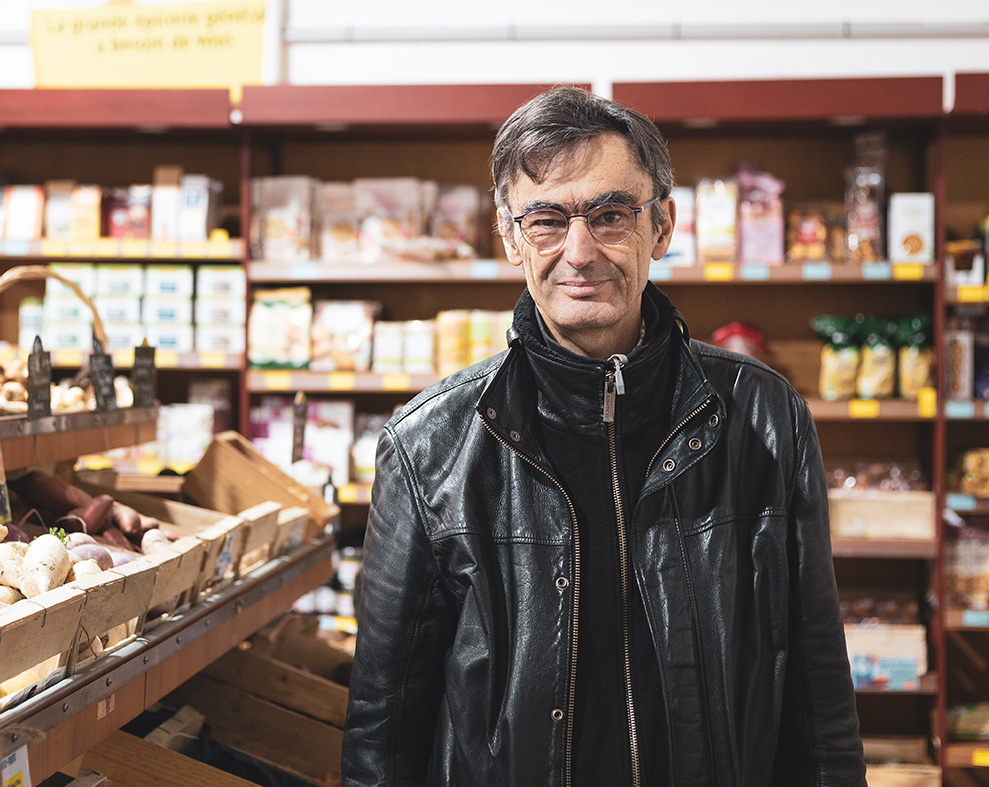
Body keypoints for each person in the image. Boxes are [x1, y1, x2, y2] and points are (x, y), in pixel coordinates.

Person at [341, 86, 865, 786]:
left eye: (610, 215)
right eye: (547, 220)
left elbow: (816, 687)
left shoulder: (763, 416)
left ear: (663, 225)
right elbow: (384, 721)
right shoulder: (427, 444)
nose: (579, 251)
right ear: (509, 236)